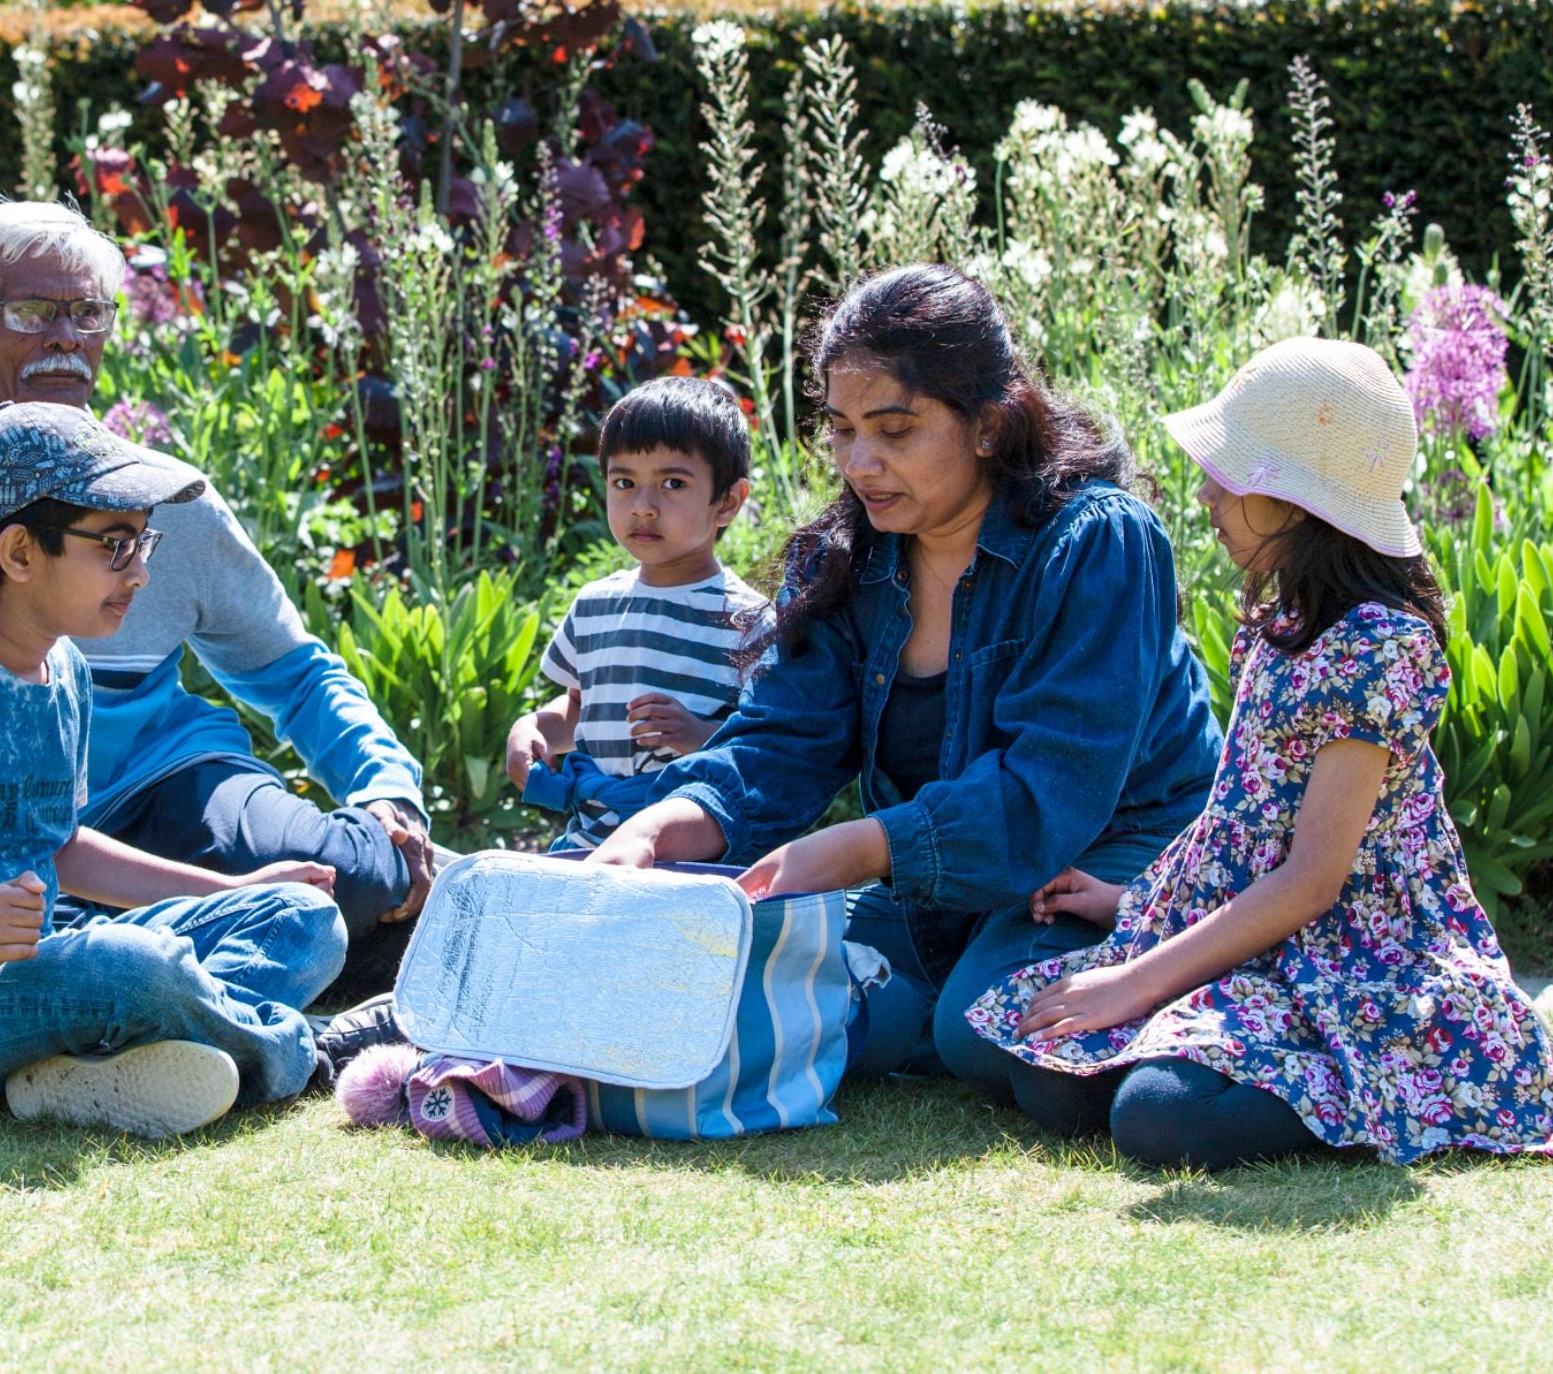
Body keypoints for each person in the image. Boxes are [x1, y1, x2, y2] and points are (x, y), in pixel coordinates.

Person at [585, 265, 1225, 1091]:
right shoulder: (844, 559)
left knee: (979, 1030)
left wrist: (863, 846)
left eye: (894, 430)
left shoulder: (1097, 540)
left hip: (1112, 850)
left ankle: (1206, 979)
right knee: (831, 1011)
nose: (860, 462)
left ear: (989, 424)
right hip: (935, 871)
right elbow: (781, 738)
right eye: (843, 430)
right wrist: (668, 822)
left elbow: (1052, 789)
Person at [962, 337, 1553, 1167]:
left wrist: (1134, 980)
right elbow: (1245, 822)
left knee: (1157, 1118)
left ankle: (1478, 1056)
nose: (1207, 495)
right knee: (1045, 1077)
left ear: (1293, 503)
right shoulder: (1281, 634)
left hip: (1360, 961)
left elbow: (1312, 878)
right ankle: (1338, 1063)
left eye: (1230, 477)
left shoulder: (1380, 648)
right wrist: (1131, 904)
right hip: (1272, 948)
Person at [0, 201, 433, 951]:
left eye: (88, 313)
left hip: (164, 783)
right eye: (31, 311)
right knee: (38, 941)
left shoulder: (164, 497)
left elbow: (296, 673)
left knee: (352, 876)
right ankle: (143, 943)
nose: (65, 337)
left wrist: (386, 792)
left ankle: (156, 935)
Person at [0, 402, 346, 1137]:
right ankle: (296, 1051)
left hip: (24, 967)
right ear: (19, 554)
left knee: (303, 919)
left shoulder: (67, 671)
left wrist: (237, 887)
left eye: (143, 541)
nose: (141, 572)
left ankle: (95, 1064)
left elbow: (61, 845)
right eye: (115, 546)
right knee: (128, 966)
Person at [504, 375, 773, 849]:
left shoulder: (749, 622)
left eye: (673, 483)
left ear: (727, 502)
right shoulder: (594, 605)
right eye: (624, 482)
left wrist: (699, 735)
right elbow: (577, 711)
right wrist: (532, 730)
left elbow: (767, 749)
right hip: (589, 840)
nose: (643, 507)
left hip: (690, 853)